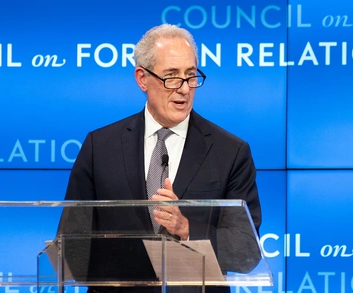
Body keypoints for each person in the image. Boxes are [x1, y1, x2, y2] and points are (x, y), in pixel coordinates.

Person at [58, 24, 262, 293]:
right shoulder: (100, 147)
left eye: (191, 76)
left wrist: (186, 228)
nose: (184, 89)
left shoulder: (230, 152)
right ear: (142, 79)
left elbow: (246, 248)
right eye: (171, 77)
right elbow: (73, 245)